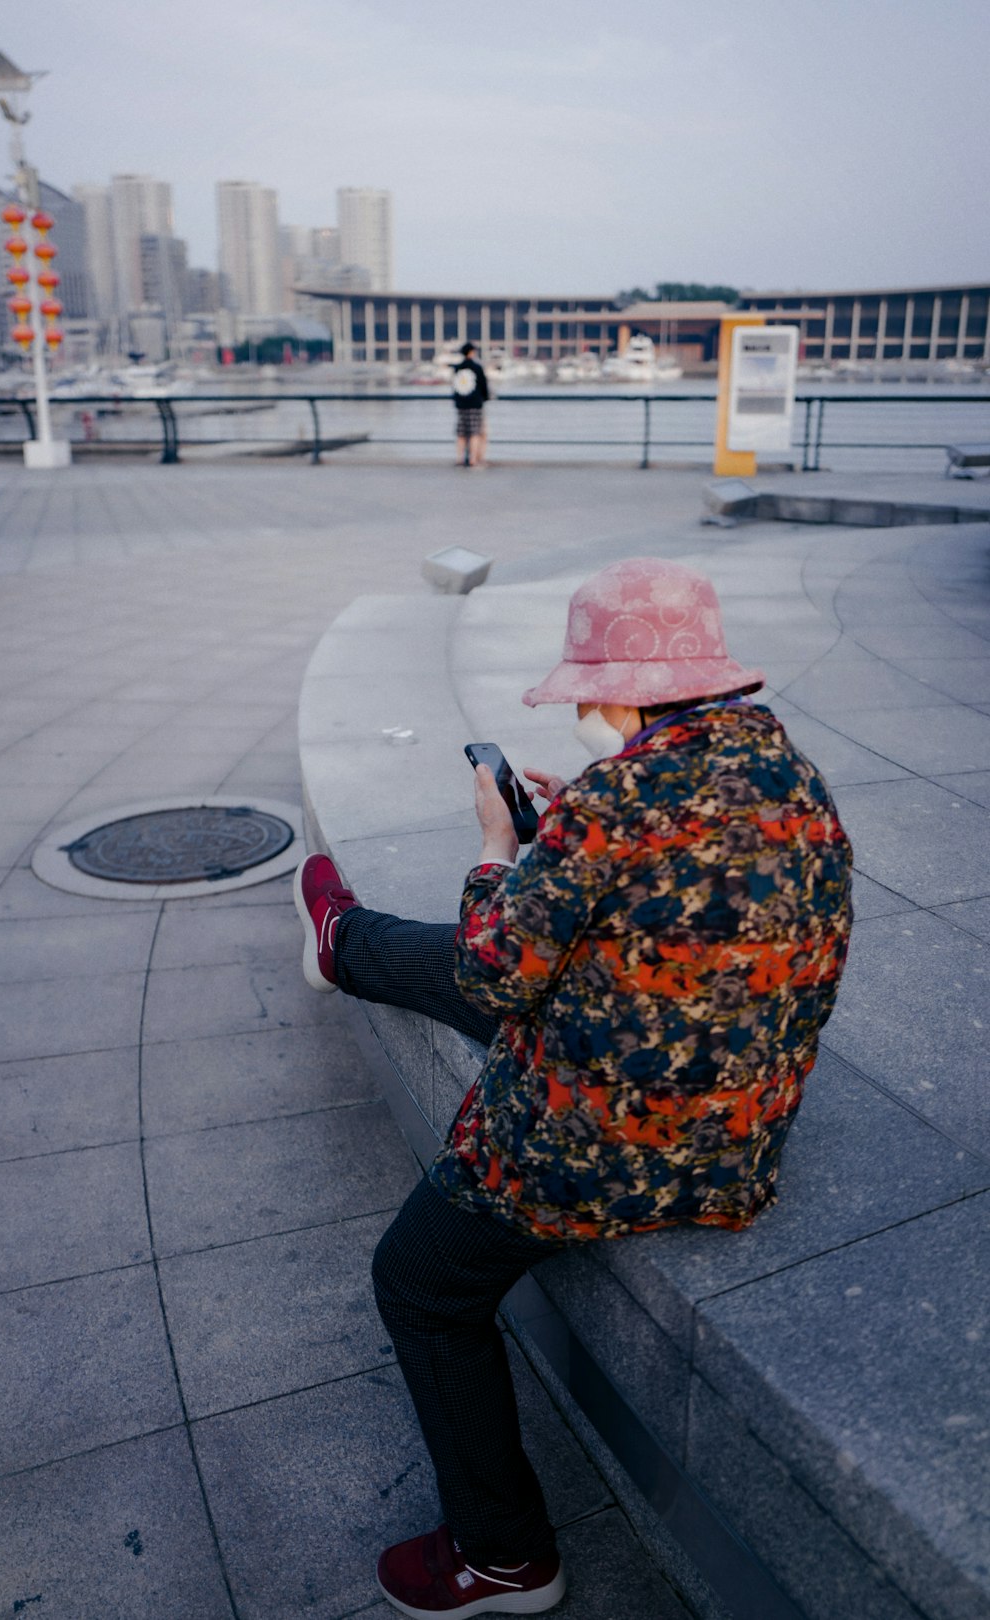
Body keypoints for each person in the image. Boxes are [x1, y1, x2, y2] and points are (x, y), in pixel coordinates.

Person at [293, 557, 853, 1617]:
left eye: (592, 692)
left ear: (627, 693)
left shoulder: (620, 796)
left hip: (609, 1142)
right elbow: (680, 891)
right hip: (742, 1121)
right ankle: (346, 945)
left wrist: (503, 846)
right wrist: (568, 833)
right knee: (522, 978)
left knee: (419, 1282)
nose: (587, 709)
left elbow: (491, 966)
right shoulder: (789, 772)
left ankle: (502, 1556)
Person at [452, 341, 489, 468]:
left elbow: (455, 387)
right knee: (475, 432)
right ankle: (473, 459)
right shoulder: (477, 368)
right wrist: (485, 398)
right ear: (472, 352)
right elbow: (484, 387)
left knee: (461, 433)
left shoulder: (457, 368)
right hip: (475, 404)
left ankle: (460, 458)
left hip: (461, 405)